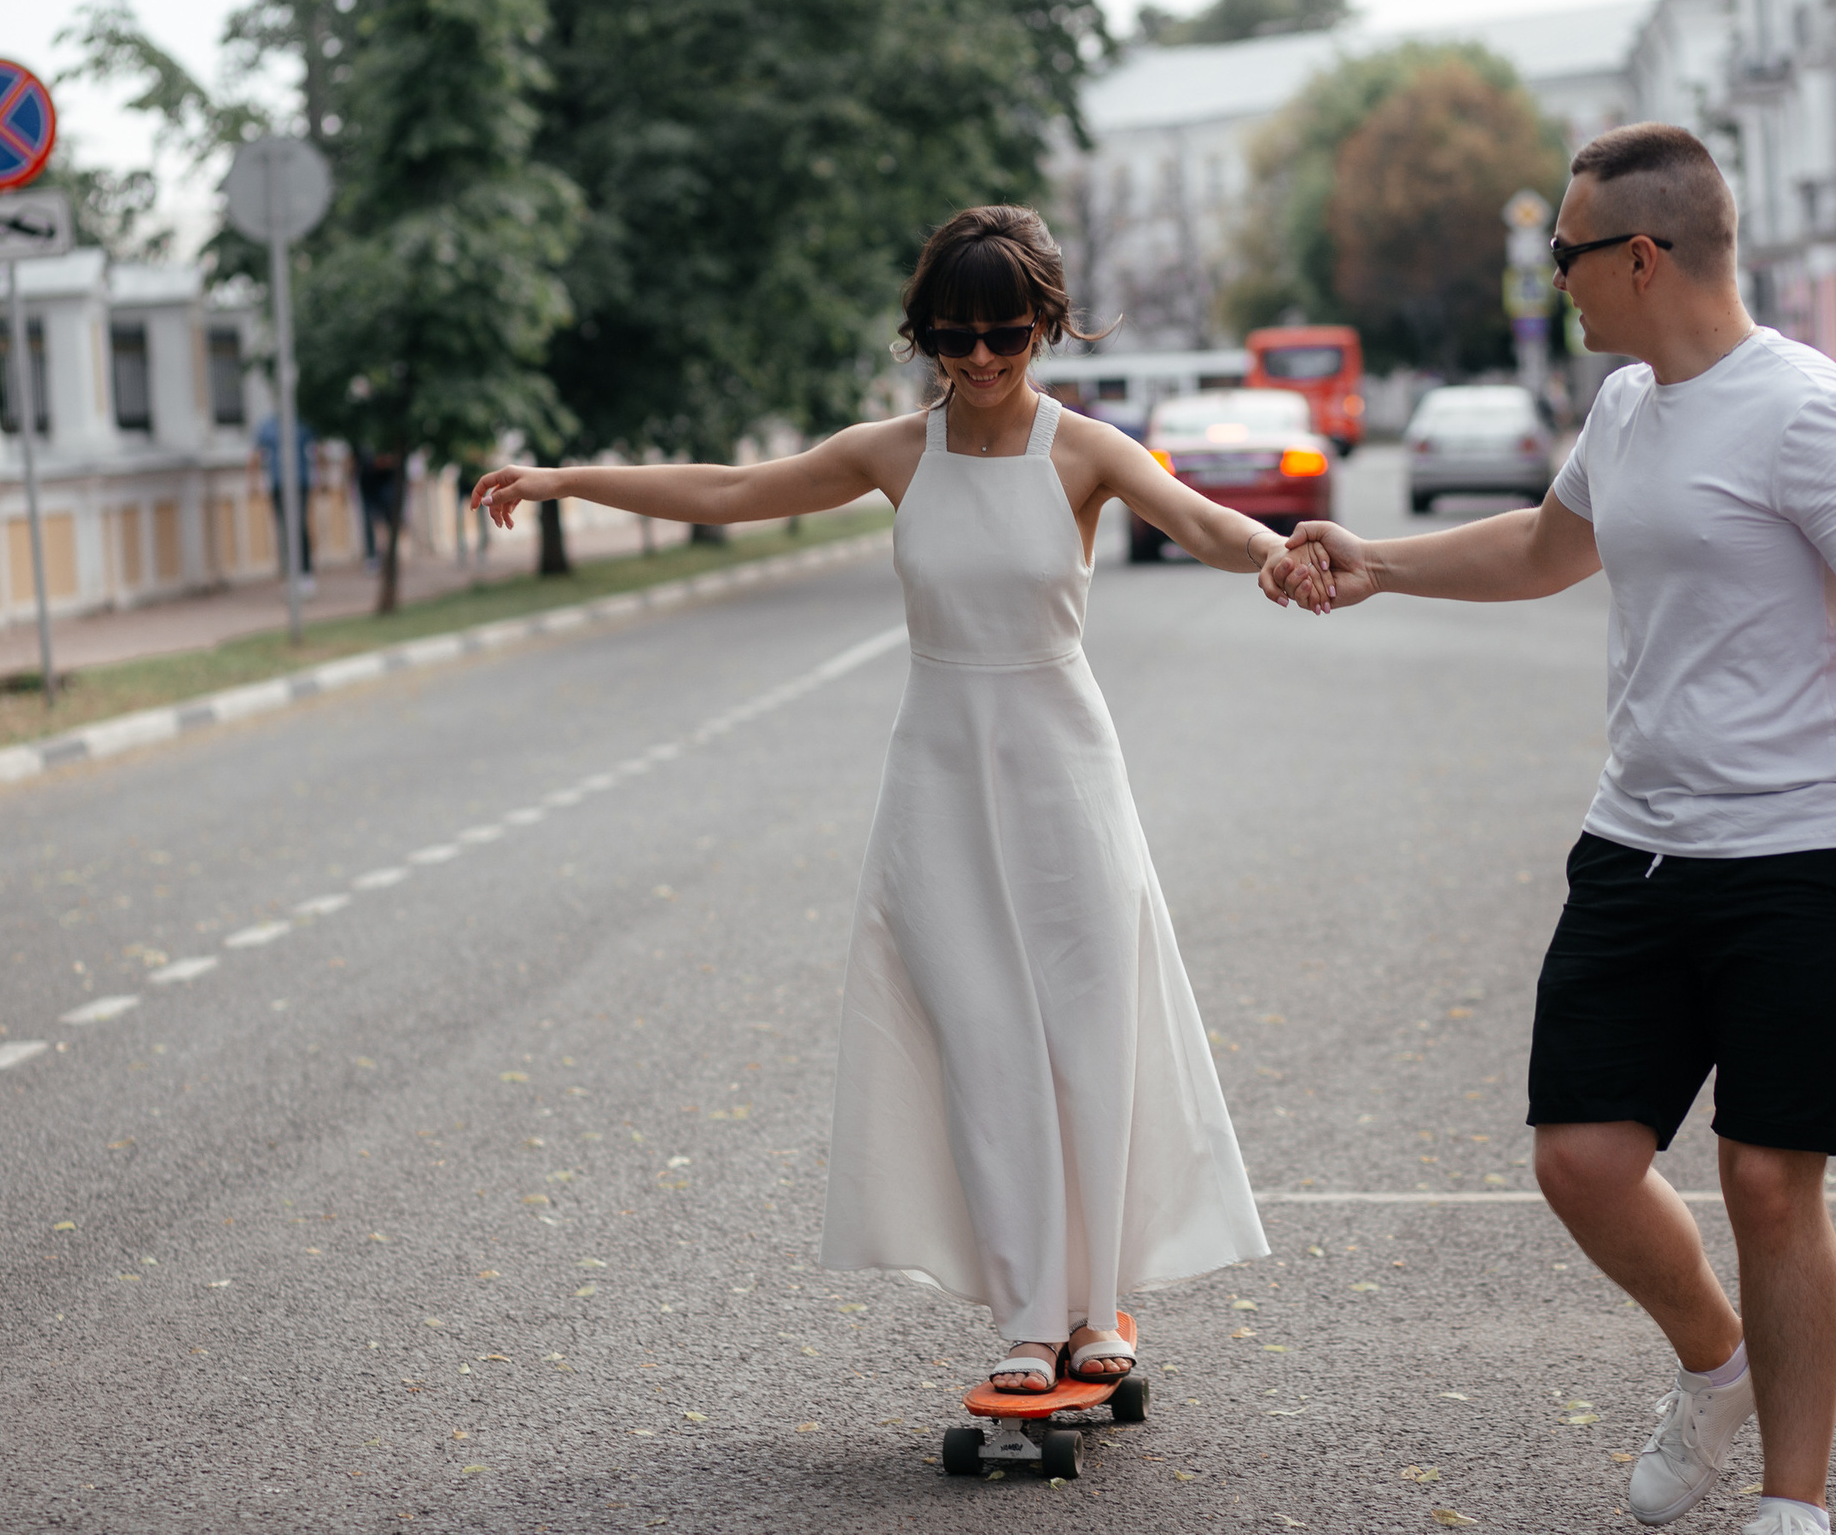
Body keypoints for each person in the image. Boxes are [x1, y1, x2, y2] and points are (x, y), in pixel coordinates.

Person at [1263, 125, 1836, 1535]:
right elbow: (1550, 545)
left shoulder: (1807, 411)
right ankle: (1719, 1365)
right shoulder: (1629, 406)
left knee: (1770, 1180)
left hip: (1802, 850)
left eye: (1566, 256)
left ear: (1639, 257)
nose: (1557, 282)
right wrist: (1380, 566)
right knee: (1581, 1156)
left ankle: (1793, 1498)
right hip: (1639, 843)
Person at [469, 205, 1275, 1394]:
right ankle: (1023, 1312)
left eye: (1005, 332)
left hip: (1064, 773)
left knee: (1085, 1033)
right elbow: (734, 488)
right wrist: (556, 480)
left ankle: (1097, 1304)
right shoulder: (895, 454)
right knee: (987, 1043)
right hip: (938, 777)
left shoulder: (1086, 452)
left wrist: (1295, 556)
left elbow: (1204, 525)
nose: (982, 359)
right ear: (926, 334)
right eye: (955, 335)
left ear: (1045, 323)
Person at [247, 409, 320, 594]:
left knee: (299, 526)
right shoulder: (268, 425)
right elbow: (256, 453)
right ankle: (289, 574)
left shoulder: (301, 422)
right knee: (283, 528)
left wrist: (322, 477)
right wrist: (253, 482)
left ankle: (305, 573)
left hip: (300, 482)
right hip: (279, 484)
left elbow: (317, 449)